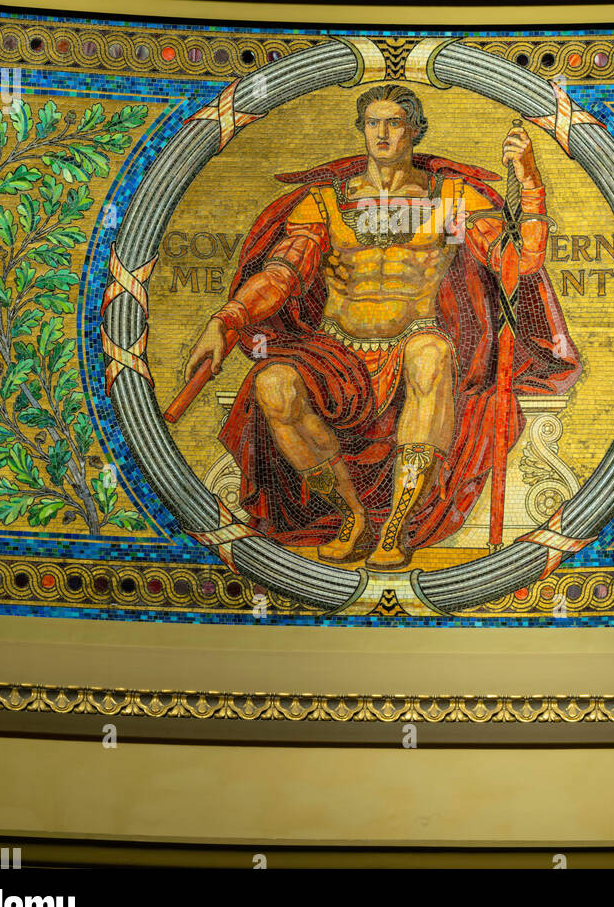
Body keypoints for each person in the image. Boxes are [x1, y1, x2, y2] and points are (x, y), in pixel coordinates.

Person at [184, 85, 580, 570]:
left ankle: (395, 526)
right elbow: (281, 275)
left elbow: (519, 263)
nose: (383, 133)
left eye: (394, 123)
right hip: (337, 350)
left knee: (431, 354)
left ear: (416, 130)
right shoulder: (325, 202)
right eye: (374, 123)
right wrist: (226, 320)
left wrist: (530, 182)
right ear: (362, 131)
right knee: (273, 385)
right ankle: (352, 515)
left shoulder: (453, 197)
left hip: (415, 335)